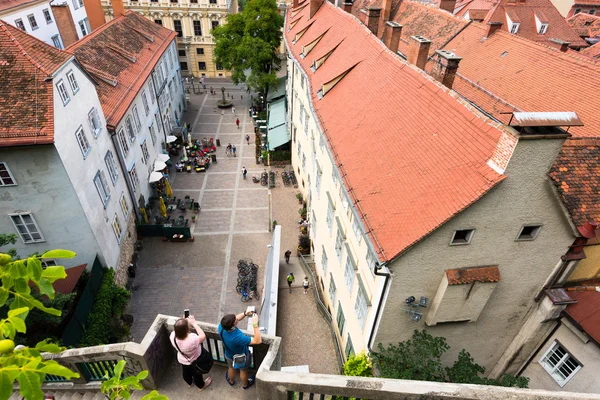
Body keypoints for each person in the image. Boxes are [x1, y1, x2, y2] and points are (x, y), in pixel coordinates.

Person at [219, 311, 261, 390]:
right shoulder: (237, 337)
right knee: (243, 370)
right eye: (236, 321)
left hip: (228, 354)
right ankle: (245, 384)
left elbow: (236, 318)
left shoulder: (221, 327)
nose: (237, 319)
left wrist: (245, 313)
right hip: (241, 356)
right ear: (232, 326)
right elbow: (257, 340)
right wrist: (255, 325)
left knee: (231, 368)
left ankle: (231, 381)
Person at [170, 315, 212, 391]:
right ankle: (201, 385)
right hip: (194, 360)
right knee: (197, 374)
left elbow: (178, 329)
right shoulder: (192, 339)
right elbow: (202, 336)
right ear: (187, 329)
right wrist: (194, 323)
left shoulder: (172, 336)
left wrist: (182, 321)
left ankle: (189, 382)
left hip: (182, 359)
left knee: (186, 371)